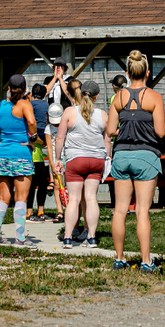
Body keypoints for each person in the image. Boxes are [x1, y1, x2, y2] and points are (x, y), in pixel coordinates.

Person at [107, 50, 165, 274]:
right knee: (142, 211)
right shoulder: (154, 97)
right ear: (147, 73)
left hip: (121, 155)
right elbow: (161, 132)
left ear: (127, 72)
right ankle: (146, 261)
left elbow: (110, 130)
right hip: (146, 156)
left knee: (120, 210)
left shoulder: (118, 98)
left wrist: (126, 127)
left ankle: (119, 259)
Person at [54, 80, 110, 248]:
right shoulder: (103, 115)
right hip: (96, 160)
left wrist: (58, 158)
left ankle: (68, 237)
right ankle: (91, 238)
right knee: (91, 198)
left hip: (76, 160)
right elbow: (107, 141)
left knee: (74, 199)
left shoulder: (70, 112)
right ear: (96, 96)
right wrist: (107, 158)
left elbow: (60, 137)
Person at [0, 74, 38, 246]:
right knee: (21, 198)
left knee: (3, 197)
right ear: (25, 89)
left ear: (8, 88)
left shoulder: (1, 105)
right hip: (21, 154)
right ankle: (20, 237)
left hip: (3, 154)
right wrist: (33, 139)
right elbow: (31, 122)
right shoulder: (25, 104)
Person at [26, 83, 49, 222]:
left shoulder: (29, 106)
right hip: (38, 148)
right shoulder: (47, 105)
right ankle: (40, 211)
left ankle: (29, 212)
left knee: (32, 183)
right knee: (42, 183)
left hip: (33, 149)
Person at [44, 101, 65, 222]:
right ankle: (60, 211)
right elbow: (49, 147)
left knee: (69, 185)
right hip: (55, 158)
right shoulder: (48, 128)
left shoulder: (66, 125)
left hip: (66, 156)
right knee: (57, 185)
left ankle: (71, 208)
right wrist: (52, 164)